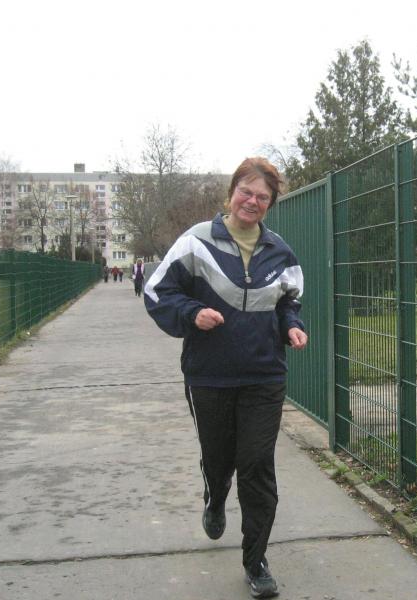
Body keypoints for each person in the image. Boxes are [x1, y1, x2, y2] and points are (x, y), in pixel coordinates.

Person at [144, 157, 307, 599]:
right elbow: (158, 291)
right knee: (219, 461)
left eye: (262, 197)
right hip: (210, 377)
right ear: (232, 192)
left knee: (256, 465)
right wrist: (192, 313)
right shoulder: (196, 242)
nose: (252, 201)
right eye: (246, 192)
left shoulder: (280, 252)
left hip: (263, 376)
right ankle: (215, 497)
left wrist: (291, 325)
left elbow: (288, 301)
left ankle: (256, 561)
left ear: (270, 204)